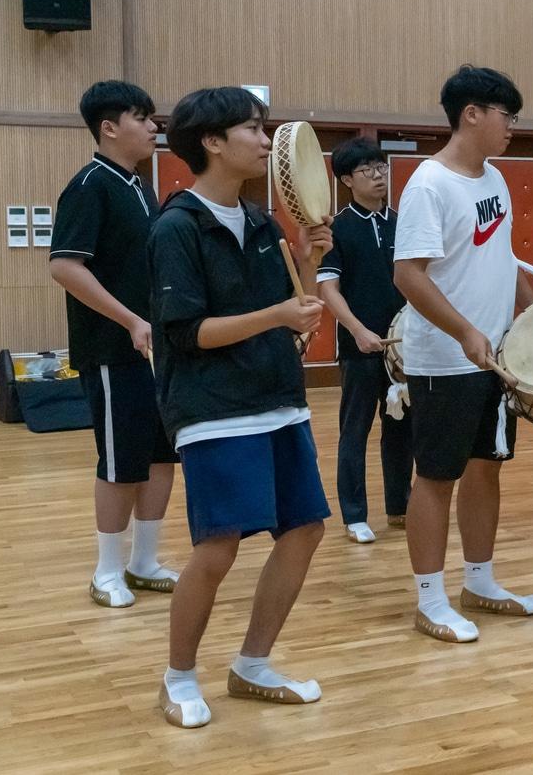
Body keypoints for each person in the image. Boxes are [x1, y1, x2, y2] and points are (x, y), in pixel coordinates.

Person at [148, 86, 333, 728]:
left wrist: (309, 266)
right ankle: (177, 679)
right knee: (218, 546)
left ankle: (253, 663)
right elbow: (187, 333)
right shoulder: (176, 227)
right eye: (252, 130)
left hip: (278, 399)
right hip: (212, 408)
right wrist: (278, 314)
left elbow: (296, 321)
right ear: (212, 142)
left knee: (306, 528)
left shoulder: (258, 221)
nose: (265, 140)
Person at [393, 65, 533, 645]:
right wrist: (463, 332)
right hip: (446, 361)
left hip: (495, 357)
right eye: (507, 115)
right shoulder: (429, 185)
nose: (512, 128)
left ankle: (479, 581)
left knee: (487, 467)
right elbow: (408, 275)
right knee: (435, 477)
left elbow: (501, 259)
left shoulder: (495, 180)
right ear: (472, 114)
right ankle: (430, 599)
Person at [49, 80, 179, 608]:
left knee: (161, 457)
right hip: (111, 350)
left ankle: (144, 561)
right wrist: (129, 320)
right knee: (121, 460)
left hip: (157, 351)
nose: (153, 127)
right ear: (109, 127)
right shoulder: (89, 187)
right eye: (142, 117)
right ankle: (107, 571)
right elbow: (64, 266)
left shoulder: (138, 186)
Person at [317, 137, 413, 543]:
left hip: (403, 350)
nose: (378, 176)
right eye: (367, 171)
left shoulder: (403, 222)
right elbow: (328, 290)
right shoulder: (337, 228)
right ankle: (354, 515)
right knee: (354, 431)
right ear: (346, 179)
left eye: (382, 168)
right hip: (360, 349)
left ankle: (400, 509)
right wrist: (357, 330)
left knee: (402, 429)